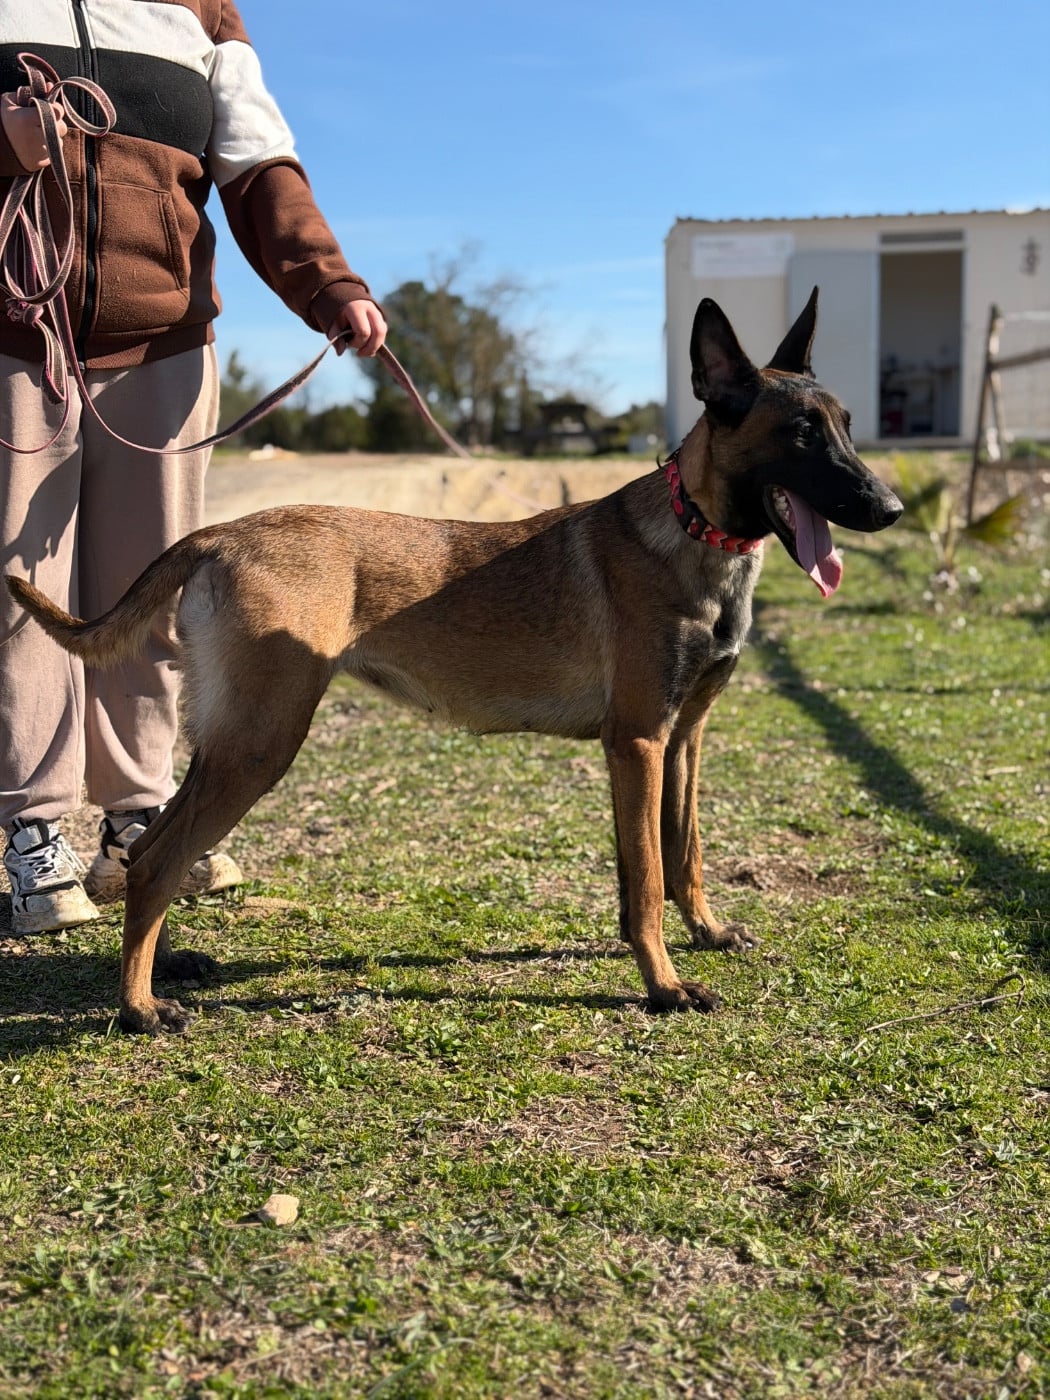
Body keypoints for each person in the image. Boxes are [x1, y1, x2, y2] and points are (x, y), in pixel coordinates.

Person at [0, 2, 387, 935]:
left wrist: (327, 284)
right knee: (17, 589)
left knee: (154, 587)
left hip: (167, 343)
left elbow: (258, 165)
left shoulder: (203, 14)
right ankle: (31, 832)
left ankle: (140, 811)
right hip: (13, 332)